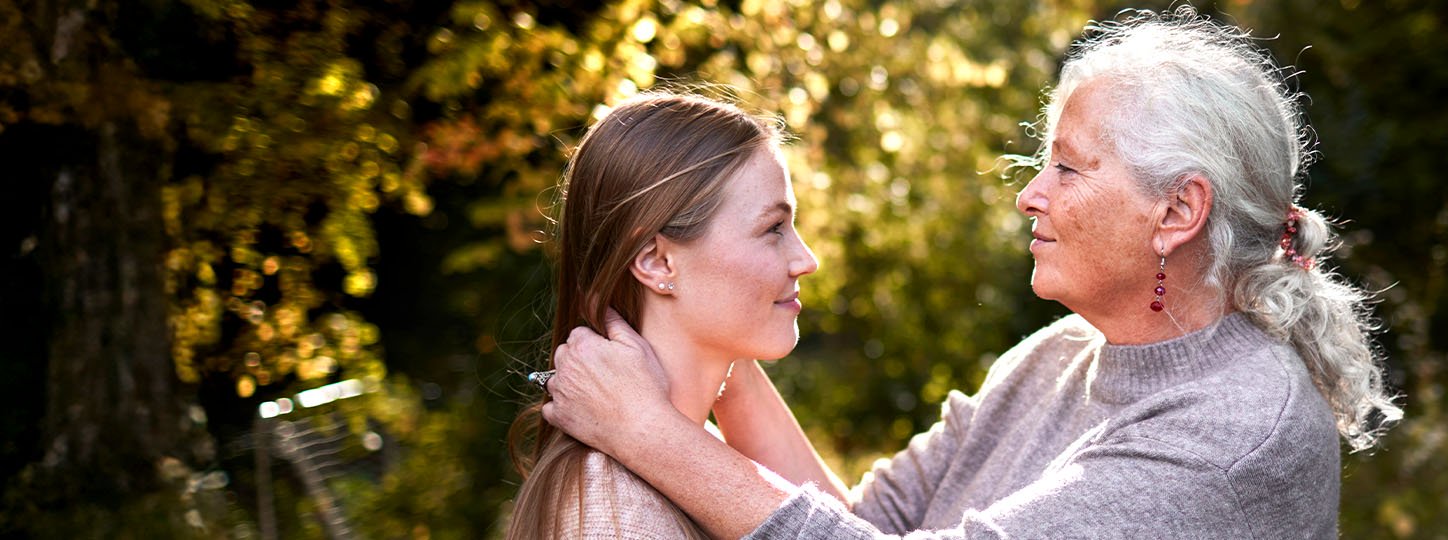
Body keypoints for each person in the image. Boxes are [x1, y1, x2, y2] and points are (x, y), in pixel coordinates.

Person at [540, 8, 1401, 539]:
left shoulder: (1232, 436)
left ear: (1177, 212)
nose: (1032, 195)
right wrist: (718, 354)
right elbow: (858, 529)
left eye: (1068, 168)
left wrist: (651, 434)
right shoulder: (1060, 356)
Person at [506, 92, 819, 539]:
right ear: (657, 261)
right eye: (773, 229)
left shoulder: (695, 471)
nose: (807, 260)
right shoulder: (618, 514)